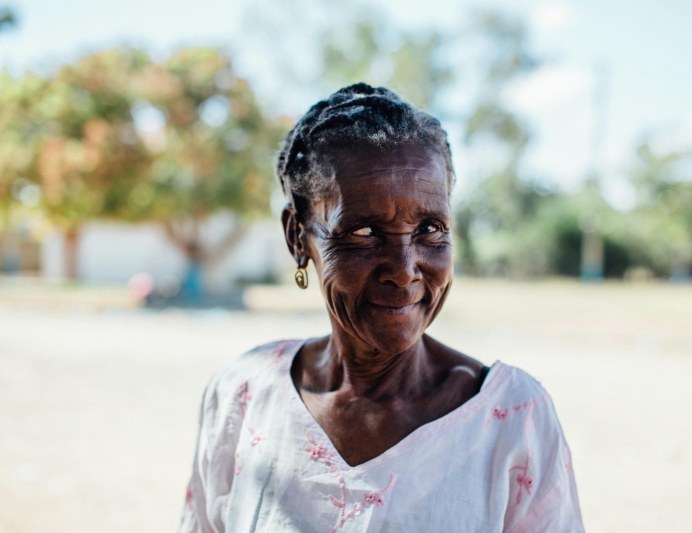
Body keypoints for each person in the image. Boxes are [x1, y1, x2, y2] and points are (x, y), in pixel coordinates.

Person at [179, 83, 584, 532]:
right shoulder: (244, 396)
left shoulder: (510, 421)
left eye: (430, 228)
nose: (404, 270)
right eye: (364, 232)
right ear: (298, 237)